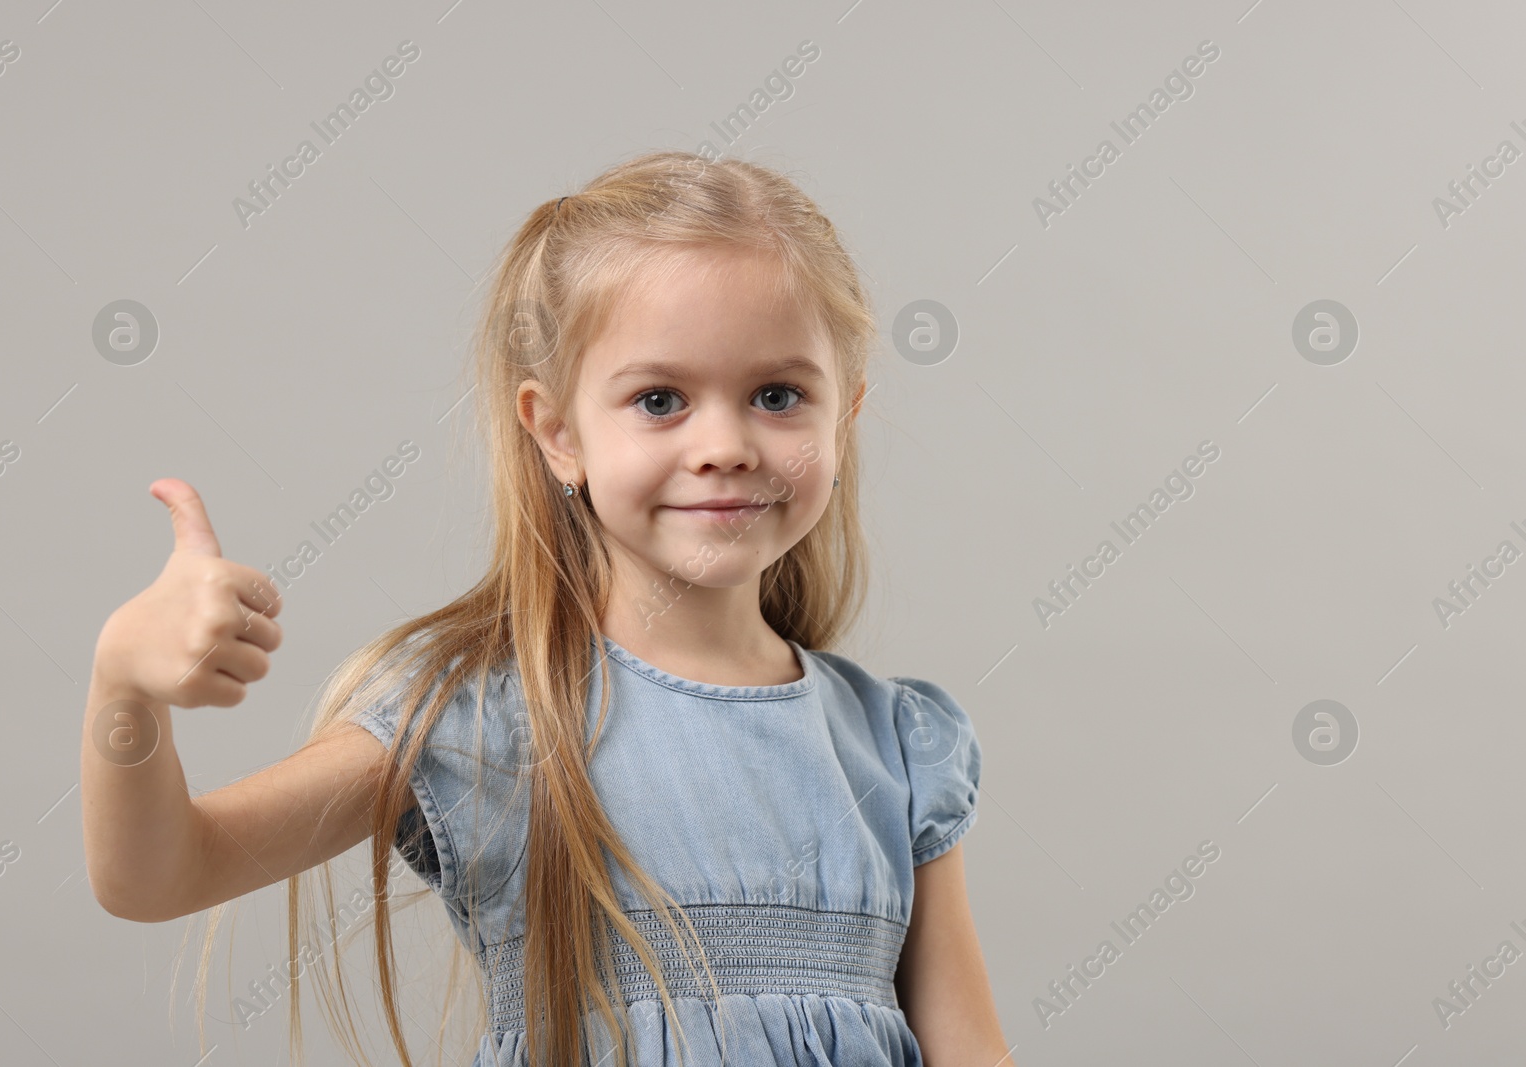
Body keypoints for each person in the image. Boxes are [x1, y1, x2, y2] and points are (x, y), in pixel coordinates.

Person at [80, 150, 1016, 1067]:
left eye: (777, 395)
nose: (724, 443)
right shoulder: (479, 720)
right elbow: (160, 873)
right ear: (558, 433)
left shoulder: (897, 744)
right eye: (660, 400)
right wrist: (125, 681)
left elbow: (973, 1049)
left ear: (842, 420)